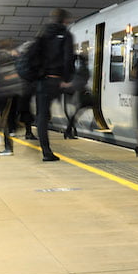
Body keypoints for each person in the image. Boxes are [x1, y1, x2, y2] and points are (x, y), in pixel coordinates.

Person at [30, 9, 75, 162]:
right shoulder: (66, 35)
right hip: (56, 80)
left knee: (42, 116)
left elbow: (33, 54)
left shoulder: (42, 34)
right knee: (73, 100)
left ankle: (46, 151)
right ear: (65, 20)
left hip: (42, 80)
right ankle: (70, 128)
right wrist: (66, 78)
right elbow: (68, 58)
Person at [63, 54, 94, 139]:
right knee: (78, 112)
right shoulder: (83, 69)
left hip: (79, 92)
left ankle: (68, 131)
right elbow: (80, 81)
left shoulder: (80, 69)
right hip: (80, 93)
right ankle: (68, 131)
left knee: (76, 113)